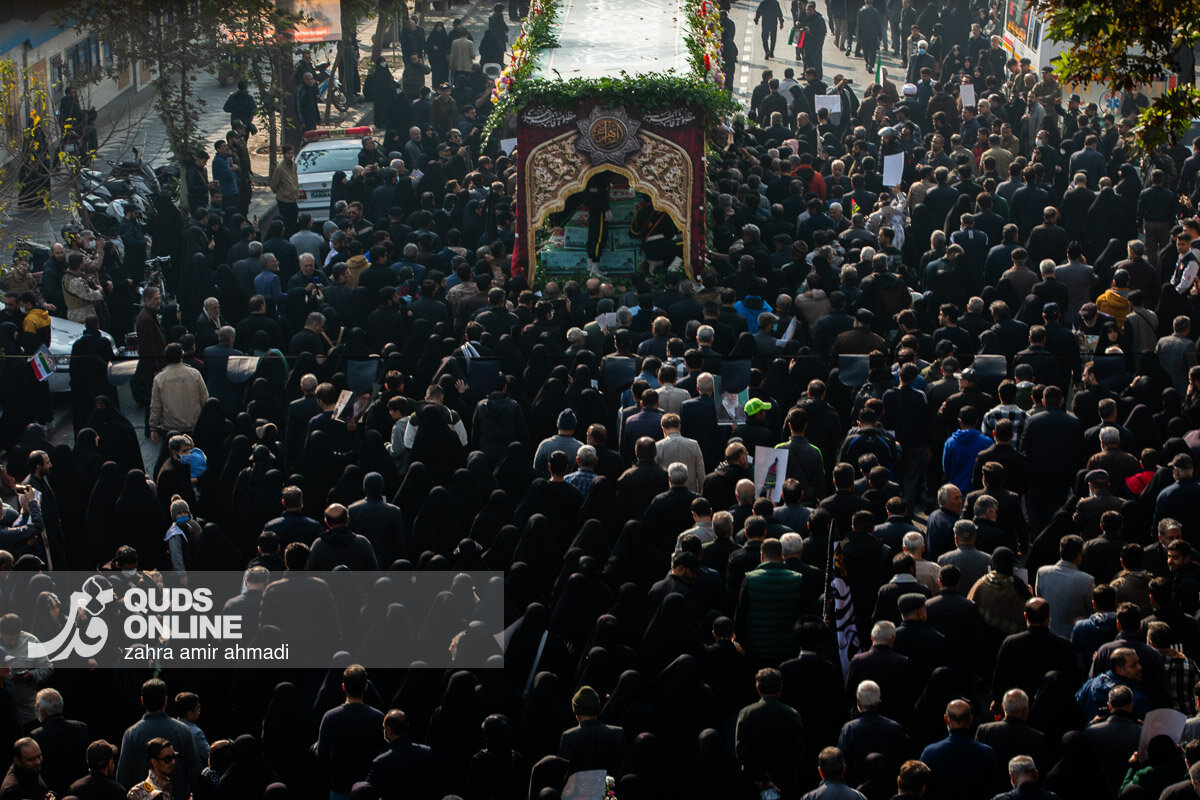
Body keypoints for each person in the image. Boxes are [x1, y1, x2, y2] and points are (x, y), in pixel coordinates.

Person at [313, 665, 384, 800]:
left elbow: (322, 755)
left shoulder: (330, 717)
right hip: (368, 788)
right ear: (366, 687)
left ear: (343, 687)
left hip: (340, 786)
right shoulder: (378, 718)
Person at [270, 146, 299, 236]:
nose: (290, 155)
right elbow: (274, 184)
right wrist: (282, 192)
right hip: (284, 200)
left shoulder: (294, 165)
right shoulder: (280, 168)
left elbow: (295, 179)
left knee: (294, 224)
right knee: (286, 225)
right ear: (284, 154)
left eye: (292, 153)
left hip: (293, 199)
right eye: (288, 153)